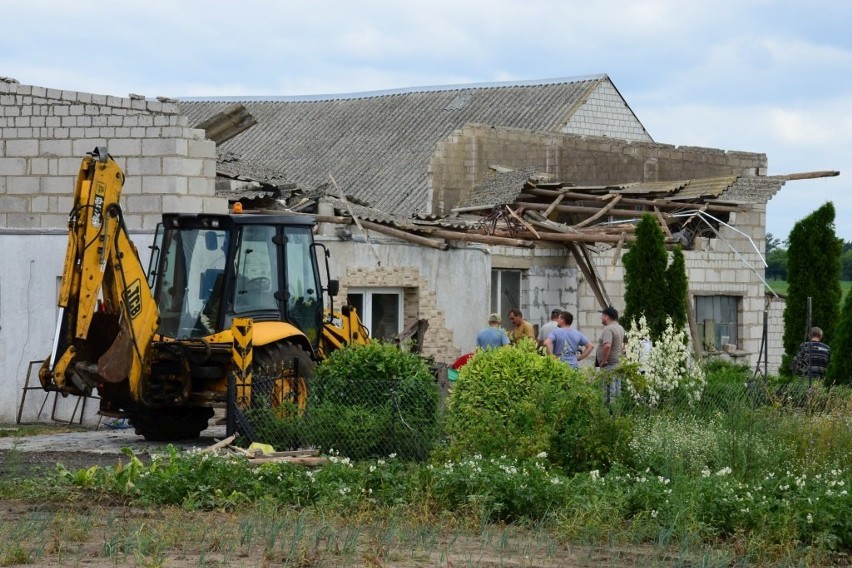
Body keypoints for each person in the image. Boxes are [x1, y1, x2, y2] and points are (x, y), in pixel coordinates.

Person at [595, 306, 625, 399]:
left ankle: (609, 413)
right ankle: (617, 412)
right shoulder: (620, 328)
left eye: (602, 315)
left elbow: (607, 346)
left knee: (608, 394)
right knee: (616, 392)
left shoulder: (608, 329)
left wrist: (603, 361)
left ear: (607, 316)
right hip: (617, 364)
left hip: (609, 365)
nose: (601, 318)